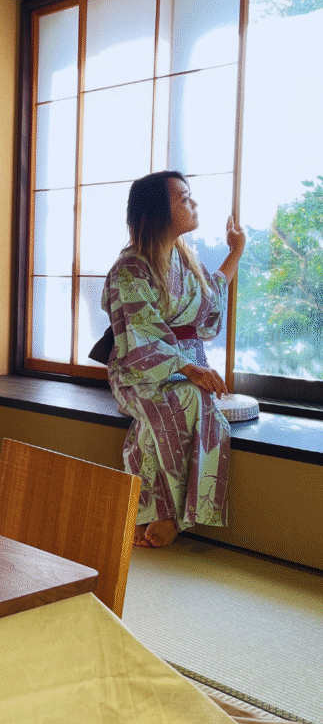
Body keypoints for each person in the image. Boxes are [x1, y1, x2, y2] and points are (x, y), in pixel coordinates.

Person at [101, 170, 246, 548]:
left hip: (189, 366)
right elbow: (139, 334)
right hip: (138, 369)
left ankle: (155, 512)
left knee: (193, 402)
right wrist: (188, 369)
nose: (193, 203)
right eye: (183, 198)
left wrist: (236, 252)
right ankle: (169, 515)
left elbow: (213, 295)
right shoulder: (130, 269)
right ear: (157, 211)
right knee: (179, 402)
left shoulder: (185, 260)